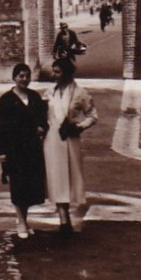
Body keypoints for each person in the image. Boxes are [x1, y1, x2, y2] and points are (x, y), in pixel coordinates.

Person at [0, 62, 49, 239]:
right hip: (14, 148)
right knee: (17, 185)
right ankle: (22, 222)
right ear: (14, 78)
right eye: (21, 76)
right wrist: (1, 152)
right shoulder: (7, 100)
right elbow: (1, 128)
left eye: (27, 76)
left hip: (32, 148)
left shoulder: (34, 97)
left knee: (30, 186)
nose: (24, 79)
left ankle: (23, 219)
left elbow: (43, 120)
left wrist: (42, 128)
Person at [42, 56, 98, 235]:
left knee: (70, 177)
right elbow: (42, 115)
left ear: (66, 73)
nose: (54, 75)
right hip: (51, 139)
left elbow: (93, 115)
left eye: (57, 72)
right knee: (56, 177)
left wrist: (79, 127)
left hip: (70, 139)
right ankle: (63, 217)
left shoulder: (80, 93)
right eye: (54, 71)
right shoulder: (49, 91)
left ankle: (66, 213)